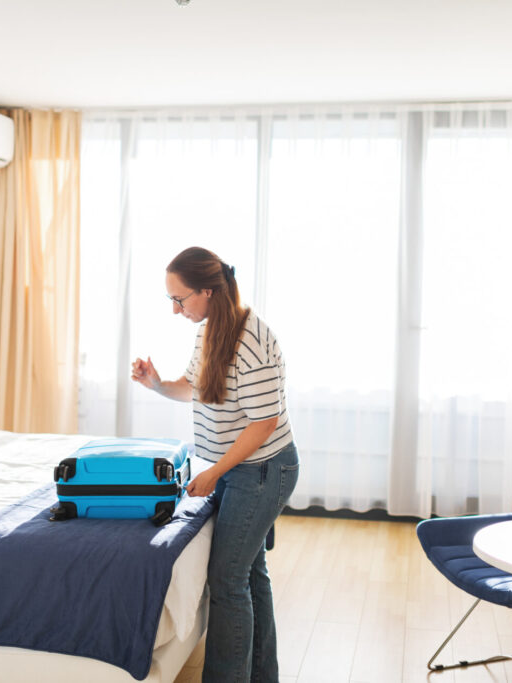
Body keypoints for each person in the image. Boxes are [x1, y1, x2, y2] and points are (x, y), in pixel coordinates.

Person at [131, 246, 298, 683]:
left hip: (263, 470)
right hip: (236, 467)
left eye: (179, 299)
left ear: (207, 290)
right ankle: (263, 675)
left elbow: (264, 424)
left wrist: (215, 471)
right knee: (249, 571)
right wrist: (155, 384)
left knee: (226, 580)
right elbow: (192, 386)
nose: (174, 309)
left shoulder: (253, 339)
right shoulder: (208, 330)